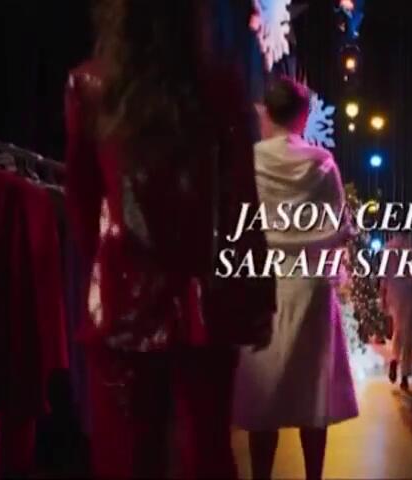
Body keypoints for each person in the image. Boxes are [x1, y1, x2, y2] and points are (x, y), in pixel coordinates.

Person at [64, 1, 275, 477]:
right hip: (203, 298)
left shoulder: (89, 85)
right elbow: (241, 201)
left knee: (128, 457)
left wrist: (102, 275)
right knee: (207, 451)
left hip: (120, 293)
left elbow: (81, 203)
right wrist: (256, 297)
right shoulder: (218, 85)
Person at [233, 76, 358, 480]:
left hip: (263, 286)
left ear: (266, 113)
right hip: (310, 288)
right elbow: (339, 227)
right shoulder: (322, 163)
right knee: (312, 395)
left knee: (263, 397)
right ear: (304, 116)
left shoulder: (250, 161)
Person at [380, 232, 412, 391]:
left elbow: (384, 276)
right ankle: (405, 374)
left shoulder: (388, 248)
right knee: (409, 334)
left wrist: (383, 295)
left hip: (394, 292)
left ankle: (394, 359)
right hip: (411, 293)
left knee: (398, 329)